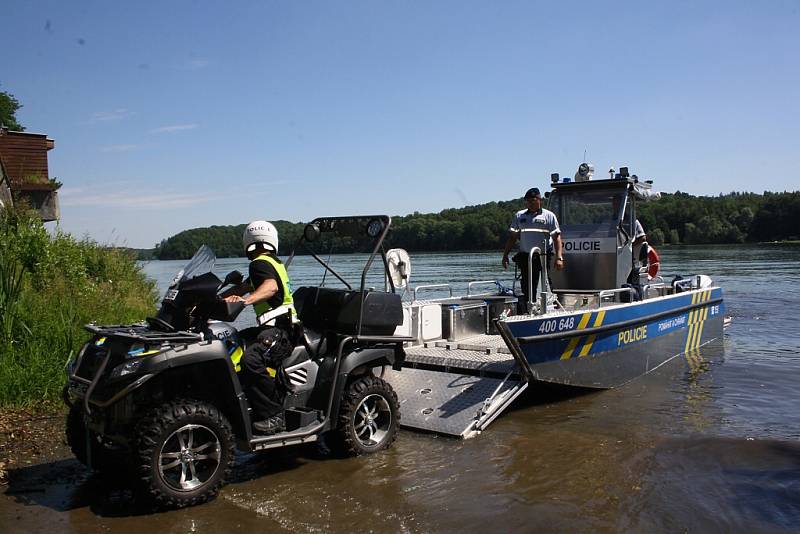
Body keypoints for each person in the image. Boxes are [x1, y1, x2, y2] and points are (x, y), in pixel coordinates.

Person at [224, 220, 296, 435]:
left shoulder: (259, 263)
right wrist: (215, 299)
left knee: (251, 360)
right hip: (275, 328)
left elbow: (270, 287)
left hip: (282, 330)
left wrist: (245, 301)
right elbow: (246, 286)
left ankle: (274, 415)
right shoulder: (270, 262)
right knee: (230, 342)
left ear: (247, 242)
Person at [502, 187, 564, 313]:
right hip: (526, 256)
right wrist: (505, 255)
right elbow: (513, 237)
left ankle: (547, 306)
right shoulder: (519, 216)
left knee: (544, 282)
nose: (530, 202)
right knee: (527, 285)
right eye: (528, 200)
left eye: (533, 200)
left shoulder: (549, 216)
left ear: (539, 200)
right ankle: (530, 308)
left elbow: (557, 238)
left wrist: (559, 257)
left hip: (543, 255)